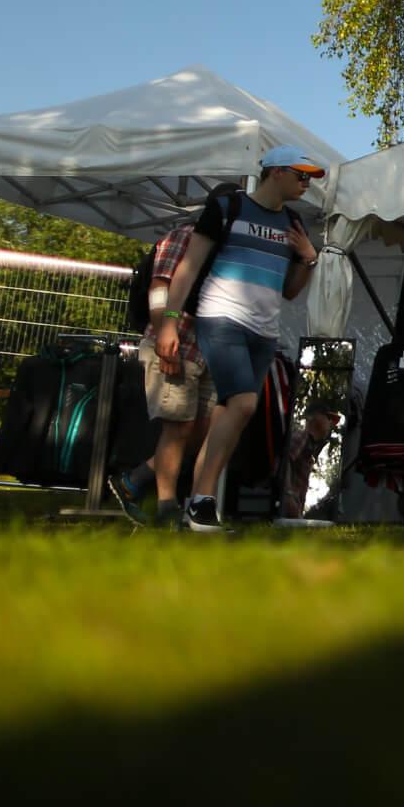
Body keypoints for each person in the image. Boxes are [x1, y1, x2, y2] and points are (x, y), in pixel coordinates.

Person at [156, 146, 325, 531]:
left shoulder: (294, 222)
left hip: (264, 331)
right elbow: (189, 267)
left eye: (309, 179)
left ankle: (199, 505)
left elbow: (291, 292)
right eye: (301, 176)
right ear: (276, 172)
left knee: (226, 415)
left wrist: (308, 259)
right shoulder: (227, 208)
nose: (305, 185)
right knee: (244, 405)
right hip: (221, 318)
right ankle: (200, 501)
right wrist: (168, 321)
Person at [108, 203, 227, 526]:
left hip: (210, 347)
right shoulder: (184, 236)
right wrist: (165, 333)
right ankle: (166, 507)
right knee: (178, 427)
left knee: (203, 431)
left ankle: (134, 480)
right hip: (177, 340)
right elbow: (159, 286)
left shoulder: (229, 248)